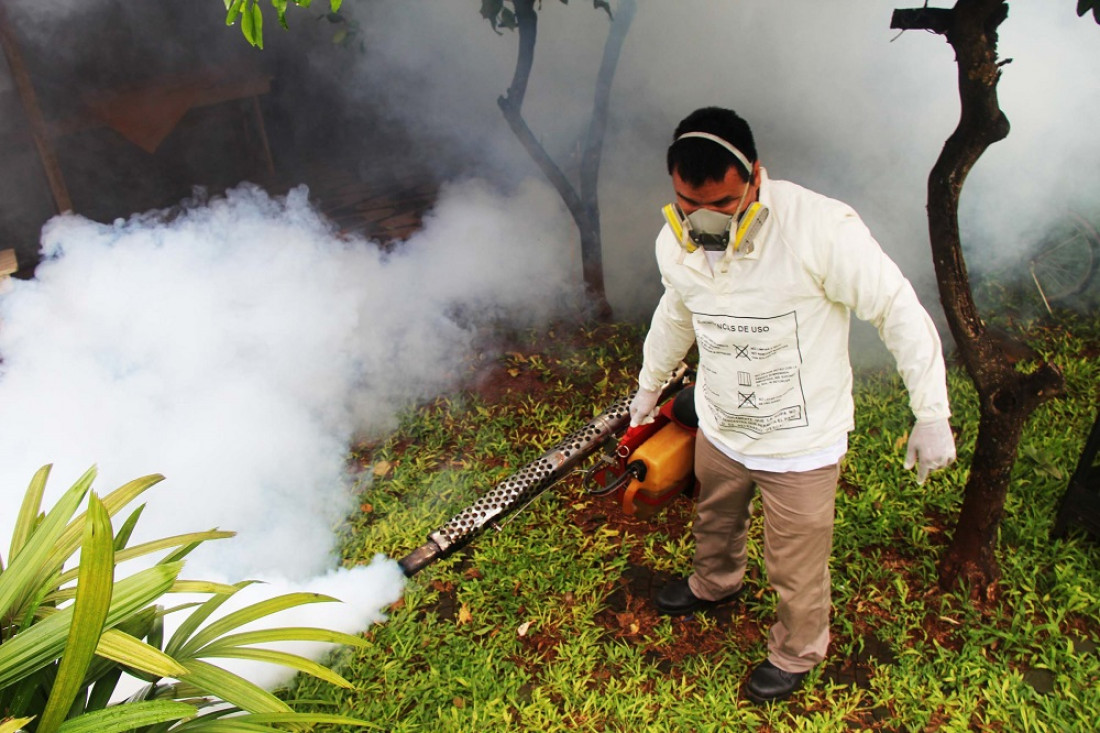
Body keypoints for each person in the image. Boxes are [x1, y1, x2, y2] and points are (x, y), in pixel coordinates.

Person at [630, 107, 956, 703]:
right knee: (715, 521)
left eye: (723, 206)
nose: (702, 221)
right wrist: (651, 386)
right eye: (685, 201)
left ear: (755, 176)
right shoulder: (673, 242)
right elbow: (677, 310)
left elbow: (895, 307)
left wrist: (931, 413)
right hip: (723, 425)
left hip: (801, 443)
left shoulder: (822, 228)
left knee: (796, 565)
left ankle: (797, 650)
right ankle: (714, 582)